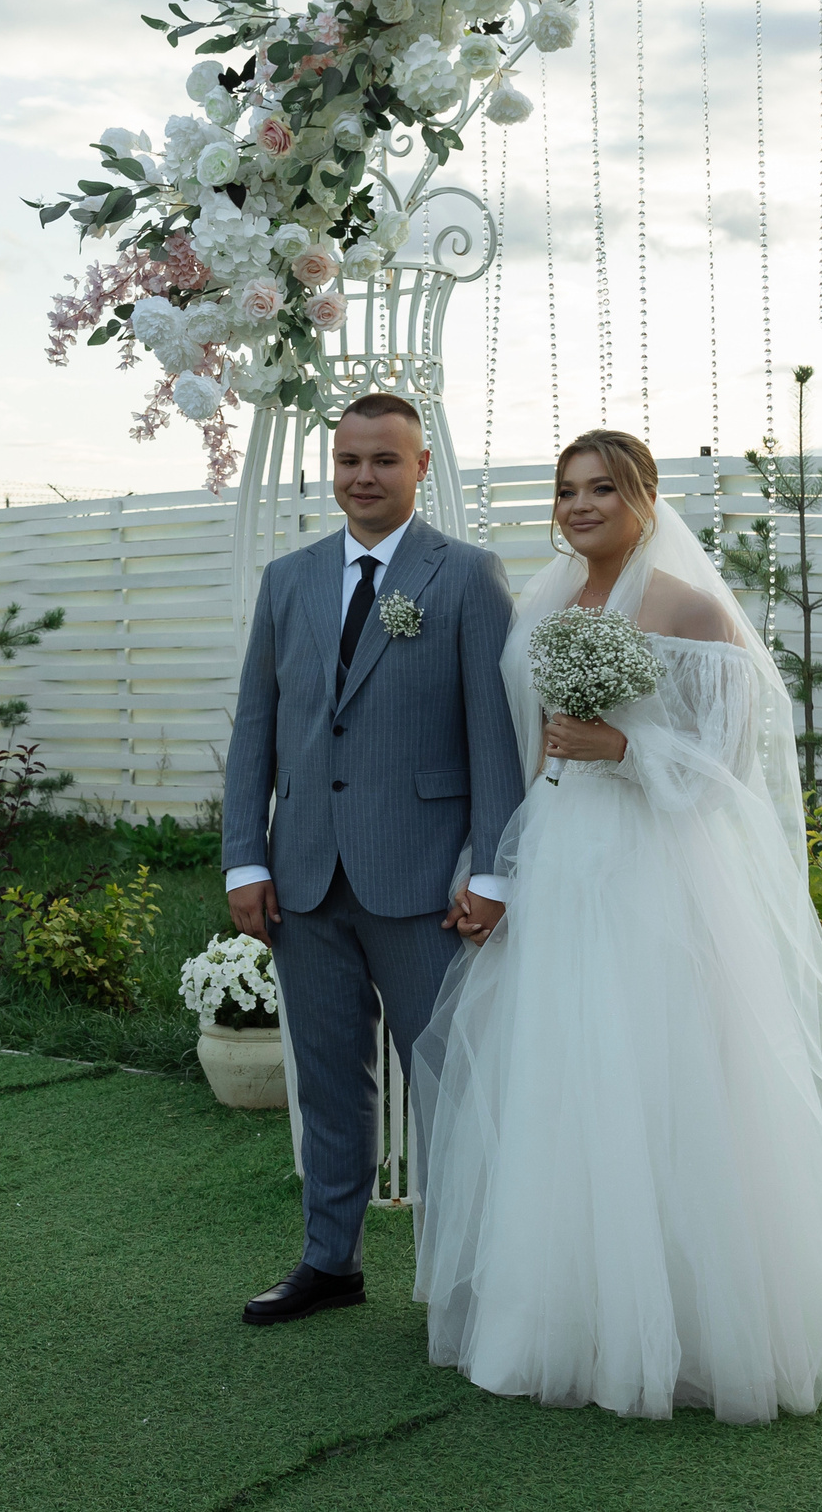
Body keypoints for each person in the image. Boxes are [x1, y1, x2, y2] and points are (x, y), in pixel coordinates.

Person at [410, 430, 822, 1423]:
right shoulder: (542, 606)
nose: (580, 507)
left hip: (656, 875)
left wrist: (622, 745)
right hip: (559, 862)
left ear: (644, 496)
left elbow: (727, 776)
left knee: (661, 1079)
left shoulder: (692, 610)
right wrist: (490, 872)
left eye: (602, 489)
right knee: (563, 1080)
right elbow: (524, 762)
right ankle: (566, 1325)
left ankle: (694, 1331)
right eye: (566, 491)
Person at [220, 391, 526, 1325]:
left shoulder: (467, 576)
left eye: (384, 460)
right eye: (349, 459)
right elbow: (256, 731)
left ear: (421, 466)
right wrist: (245, 859)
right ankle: (331, 1262)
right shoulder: (288, 580)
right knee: (326, 1078)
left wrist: (492, 869)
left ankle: (463, 1279)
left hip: (424, 883)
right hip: (304, 879)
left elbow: (496, 740)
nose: (363, 476)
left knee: (446, 1086)